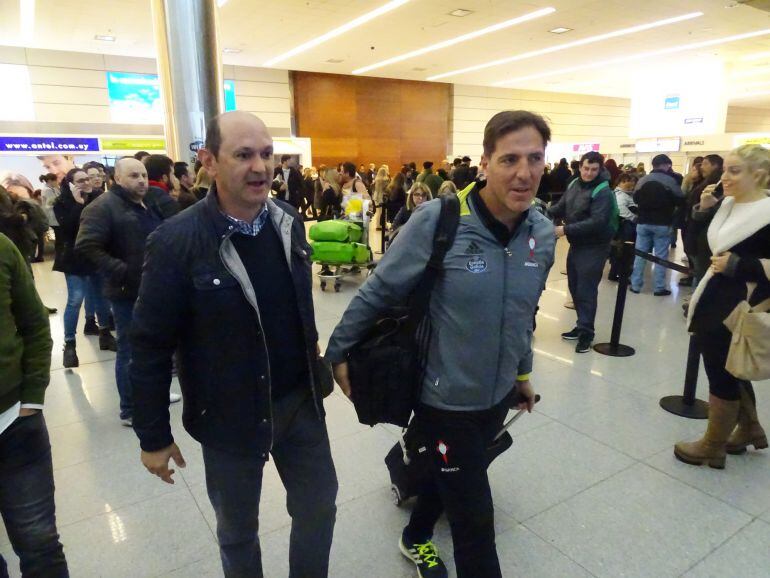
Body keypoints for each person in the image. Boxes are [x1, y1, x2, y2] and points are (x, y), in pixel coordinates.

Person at [326, 110, 554, 578]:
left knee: (448, 471)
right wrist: (337, 352)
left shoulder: (541, 234)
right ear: (486, 163)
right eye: (510, 158)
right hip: (443, 398)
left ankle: (414, 537)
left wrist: (523, 374)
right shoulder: (441, 220)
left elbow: (520, 315)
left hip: (495, 396)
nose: (524, 172)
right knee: (474, 521)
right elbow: (379, 290)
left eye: (535, 158)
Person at [130, 111, 338, 578]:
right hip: (227, 416)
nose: (260, 167)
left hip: (299, 402)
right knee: (238, 530)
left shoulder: (286, 220)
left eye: (266, 153)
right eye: (243, 155)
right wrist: (154, 436)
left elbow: (296, 313)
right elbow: (148, 345)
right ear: (208, 161)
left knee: (319, 507)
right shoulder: (176, 241)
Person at [676, 144, 770, 469]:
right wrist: (702, 212)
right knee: (728, 367)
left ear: (759, 175)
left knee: (723, 374)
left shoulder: (766, 213)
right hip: (713, 298)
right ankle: (748, 428)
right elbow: (700, 249)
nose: (724, 178)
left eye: (734, 171)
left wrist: (742, 265)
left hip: (740, 306)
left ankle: (713, 445)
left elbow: (740, 261)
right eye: (724, 170)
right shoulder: (727, 205)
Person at [75, 158, 180, 426]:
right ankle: (130, 407)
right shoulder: (103, 207)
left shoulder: (148, 203)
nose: (142, 180)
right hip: (126, 291)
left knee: (156, 346)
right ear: (118, 178)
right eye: (134, 176)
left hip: (155, 287)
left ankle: (152, 395)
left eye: (144, 175)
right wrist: (123, 270)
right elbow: (87, 246)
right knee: (130, 349)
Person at [0, 232, 69, 578]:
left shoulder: (1, 246)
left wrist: (32, 398)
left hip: (15, 421)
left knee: (39, 542)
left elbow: (35, 324)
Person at [549, 151, 614, 353]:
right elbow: (562, 207)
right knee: (575, 286)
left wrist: (564, 230)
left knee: (586, 290)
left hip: (594, 246)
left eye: (594, 169)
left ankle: (586, 332)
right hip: (577, 244)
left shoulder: (603, 191)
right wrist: (544, 213)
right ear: (580, 167)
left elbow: (597, 222)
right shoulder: (574, 184)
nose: (589, 173)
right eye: (586, 168)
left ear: (600, 169)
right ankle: (581, 324)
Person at [53, 168, 117, 367]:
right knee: (75, 299)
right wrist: (78, 204)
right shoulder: (61, 203)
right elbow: (69, 229)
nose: (87, 182)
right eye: (80, 180)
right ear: (70, 183)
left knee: (102, 297)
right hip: (73, 259)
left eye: (88, 179)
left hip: (96, 256)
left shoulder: (99, 198)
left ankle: (105, 333)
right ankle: (69, 344)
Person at [629, 154, 684, 296]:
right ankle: (659, 287)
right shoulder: (670, 181)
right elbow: (680, 199)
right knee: (661, 257)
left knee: (640, 254)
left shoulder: (643, 180)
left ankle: (635, 285)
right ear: (665, 165)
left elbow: (635, 197)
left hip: (643, 222)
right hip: (662, 223)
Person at [608, 173, 638, 281]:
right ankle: (619, 274)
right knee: (622, 251)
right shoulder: (621, 195)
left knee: (618, 250)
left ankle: (615, 272)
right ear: (621, 182)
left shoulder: (623, 194)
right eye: (629, 183)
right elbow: (621, 210)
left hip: (621, 226)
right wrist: (634, 218)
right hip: (624, 226)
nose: (631, 185)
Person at [143, 154, 181, 219]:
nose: (175, 178)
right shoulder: (165, 202)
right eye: (172, 174)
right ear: (164, 178)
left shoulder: (140, 194)